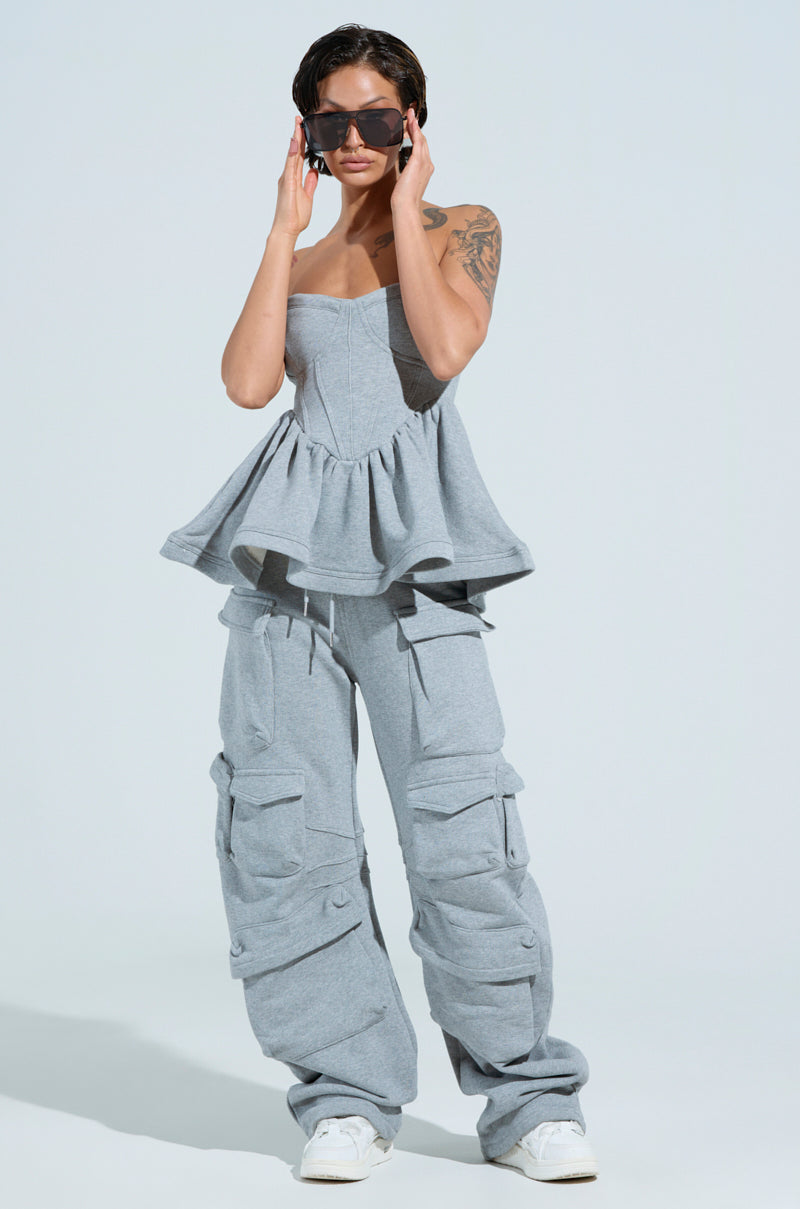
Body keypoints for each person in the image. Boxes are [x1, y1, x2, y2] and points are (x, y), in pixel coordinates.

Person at [159, 23, 599, 1185]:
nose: (351, 138)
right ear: (305, 130)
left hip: (414, 563)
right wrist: (279, 231)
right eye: (329, 120)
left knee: (460, 823)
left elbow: (444, 351)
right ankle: (344, 1096)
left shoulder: (460, 228)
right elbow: (247, 385)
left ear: (410, 123)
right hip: (286, 568)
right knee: (287, 828)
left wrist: (404, 200)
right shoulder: (300, 257)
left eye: (374, 118)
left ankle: (525, 1096)